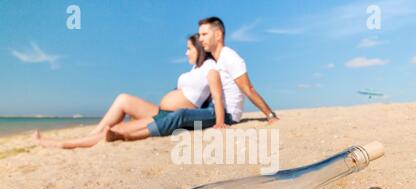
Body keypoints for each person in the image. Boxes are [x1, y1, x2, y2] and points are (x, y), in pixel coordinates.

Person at [33, 34, 229, 149]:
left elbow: (217, 96)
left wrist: (219, 122)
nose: (186, 52)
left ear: (199, 49)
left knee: (118, 130)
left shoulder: (210, 67)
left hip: (167, 117)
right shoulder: (194, 69)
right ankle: (94, 131)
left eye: (189, 48)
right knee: (123, 99)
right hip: (160, 111)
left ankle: (62, 144)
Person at [145, 16, 279, 137]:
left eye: (204, 34)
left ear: (218, 35)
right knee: (175, 114)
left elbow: (248, 89)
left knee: (182, 114)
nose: (201, 39)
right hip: (212, 109)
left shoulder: (229, 57)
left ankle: (142, 133)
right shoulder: (215, 61)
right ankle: (133, 130)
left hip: (227, 115)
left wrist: (270, 115)